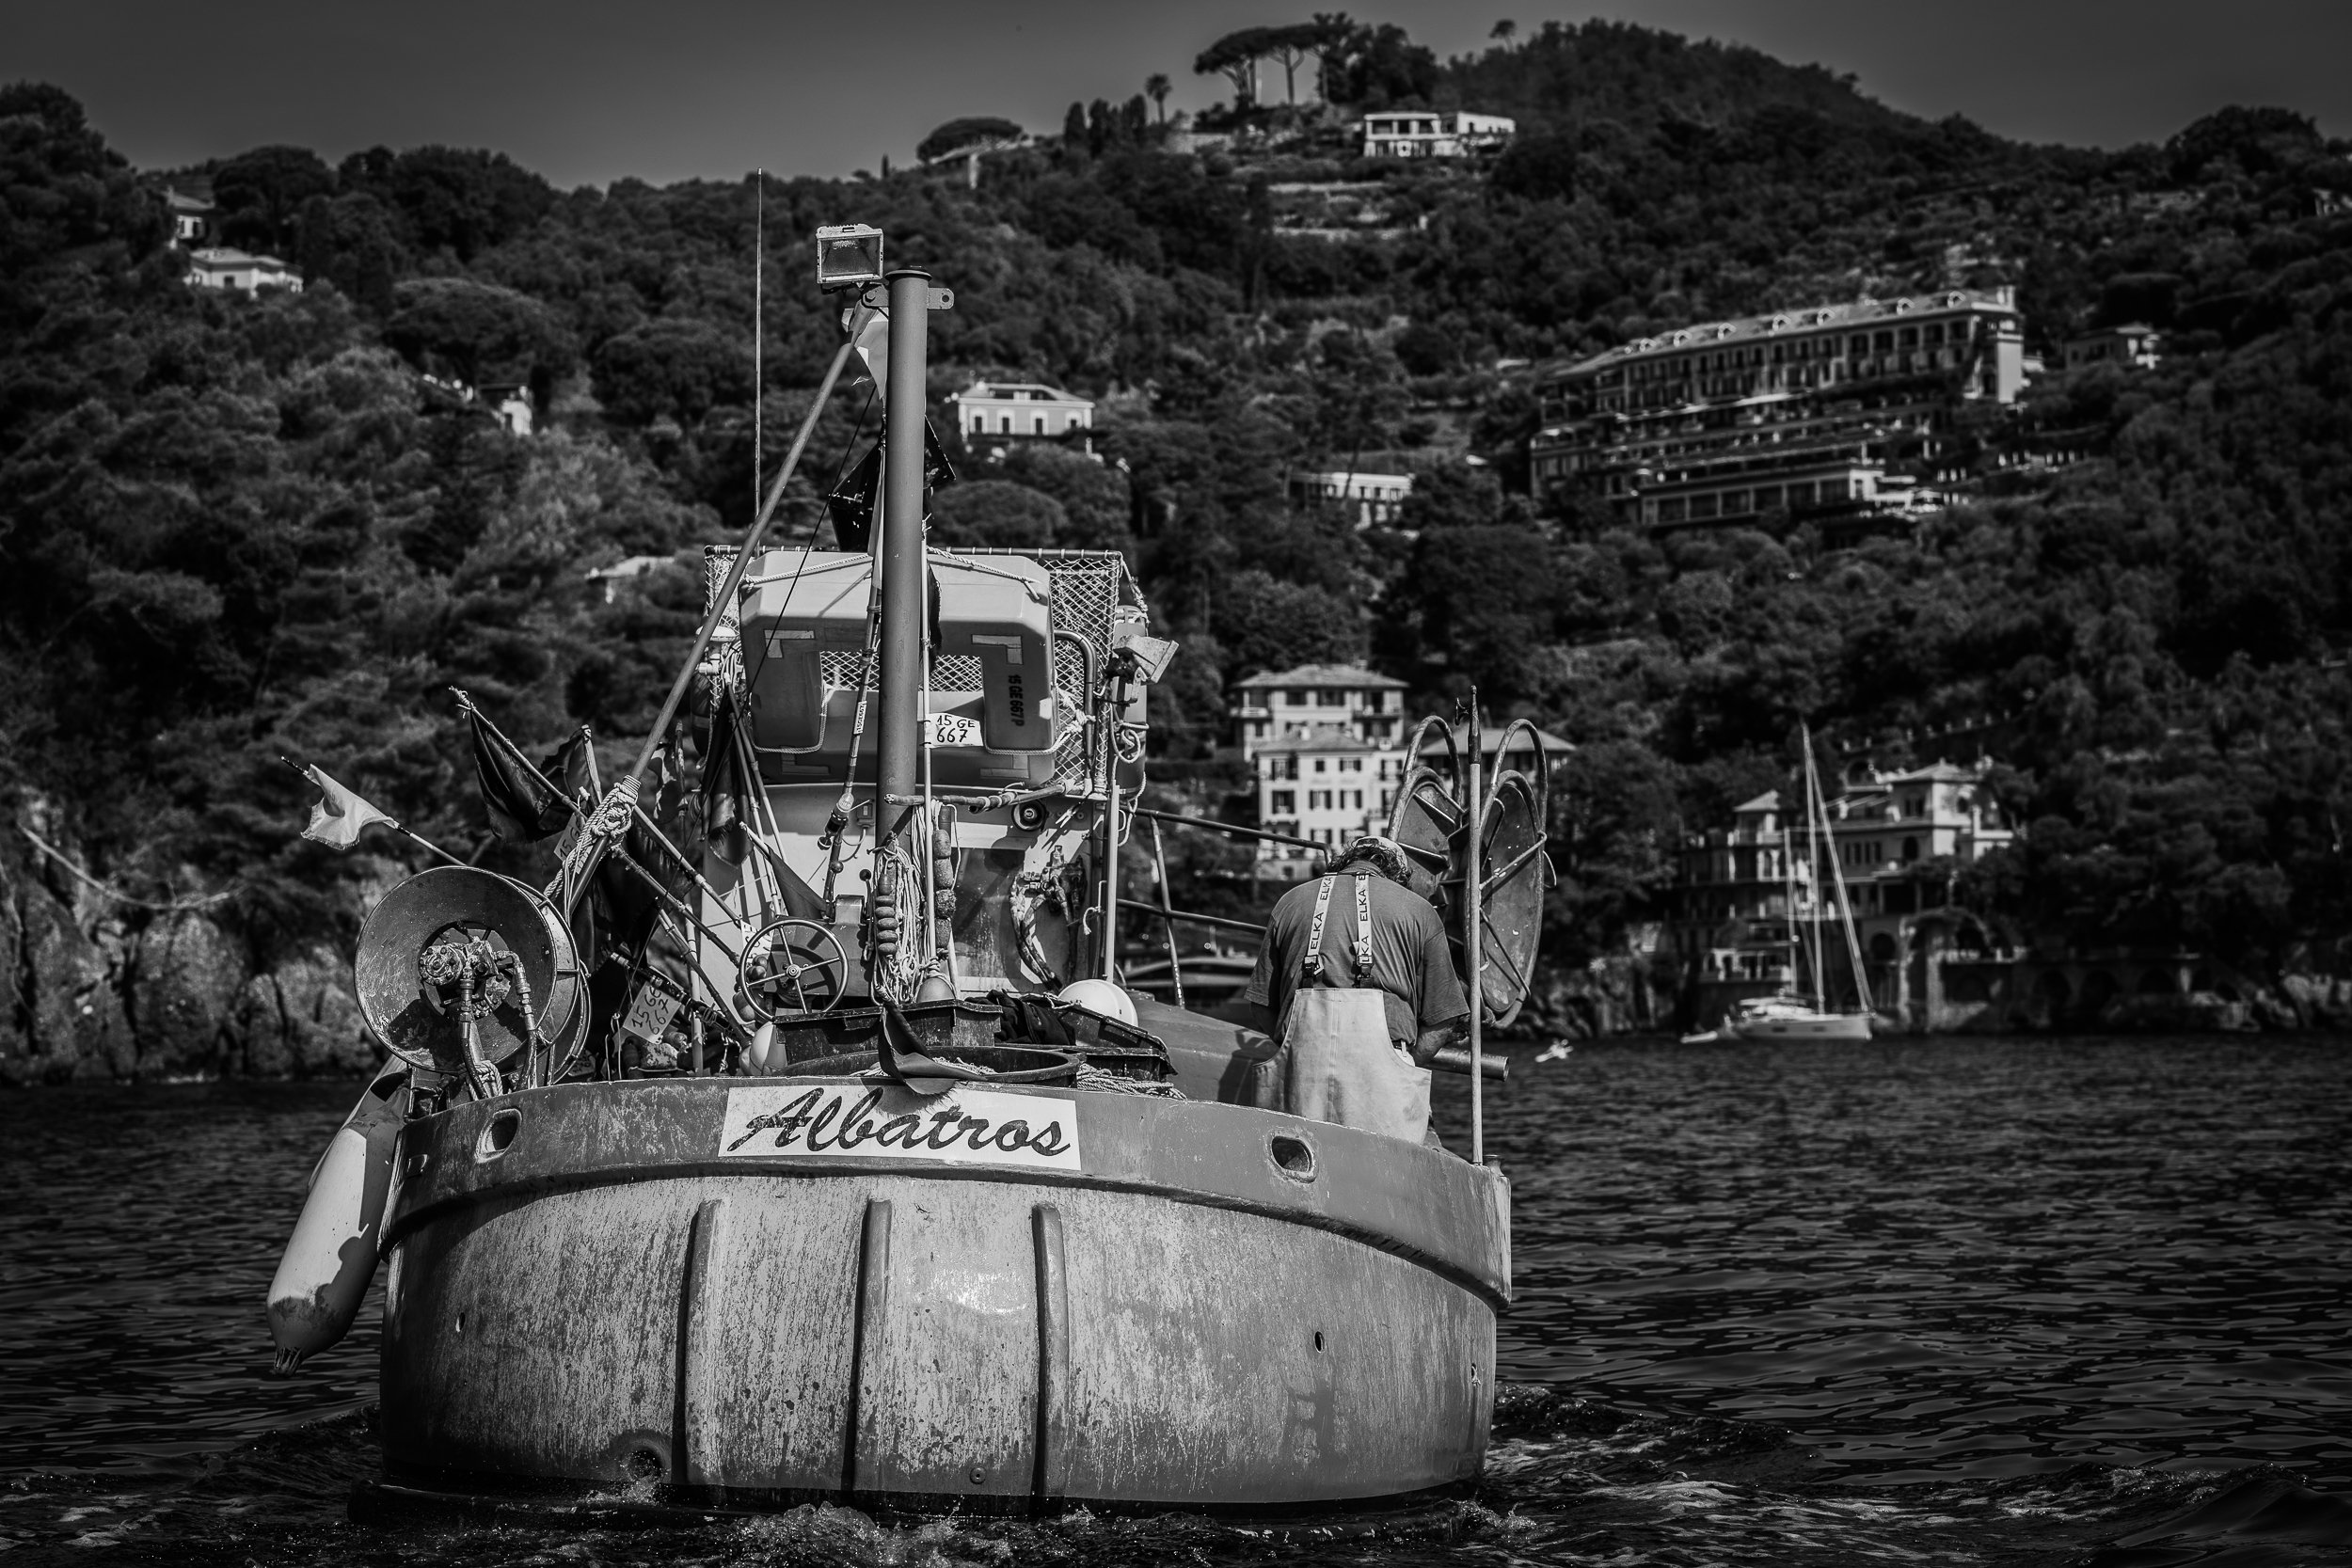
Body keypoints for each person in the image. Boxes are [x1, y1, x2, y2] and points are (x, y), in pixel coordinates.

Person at [1232, 835, 1470, 1139]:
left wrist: (1296, 1045)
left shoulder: (1290, 902)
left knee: (1296, 1161)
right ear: (1398, 875)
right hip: (1384, 1074)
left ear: (1343, 861)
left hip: (1302, 1068)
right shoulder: (1418, 910)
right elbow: (1442, 1019)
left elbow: (1262, 1006)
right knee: (1386, 1168)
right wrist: (1403, 1063)